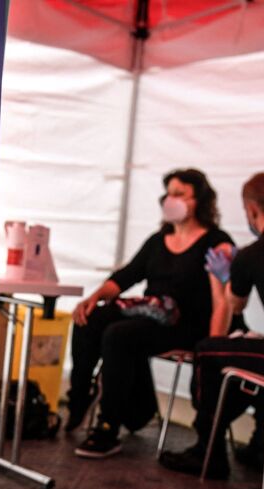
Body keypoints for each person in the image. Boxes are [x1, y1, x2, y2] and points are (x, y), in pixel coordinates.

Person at [68, 168, 233, 458]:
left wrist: (214, 346)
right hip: (151, 316)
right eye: (168, 193)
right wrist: (93, 298)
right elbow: (126, 276)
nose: (171, 199)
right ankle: (79, 397)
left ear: (199, 200)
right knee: (91, 318)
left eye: (179, 194)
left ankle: (108, 427)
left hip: (187, 324)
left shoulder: (215, 241)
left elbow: (224, 298)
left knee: (119, 335)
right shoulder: (158, 240)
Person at [159, 172, 264, 478]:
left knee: (207, 351)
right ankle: (261, 444)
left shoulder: (252, 254)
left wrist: (226, 277)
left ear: (251, 210)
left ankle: (208, 450)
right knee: (258, 345)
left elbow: (236, 305)